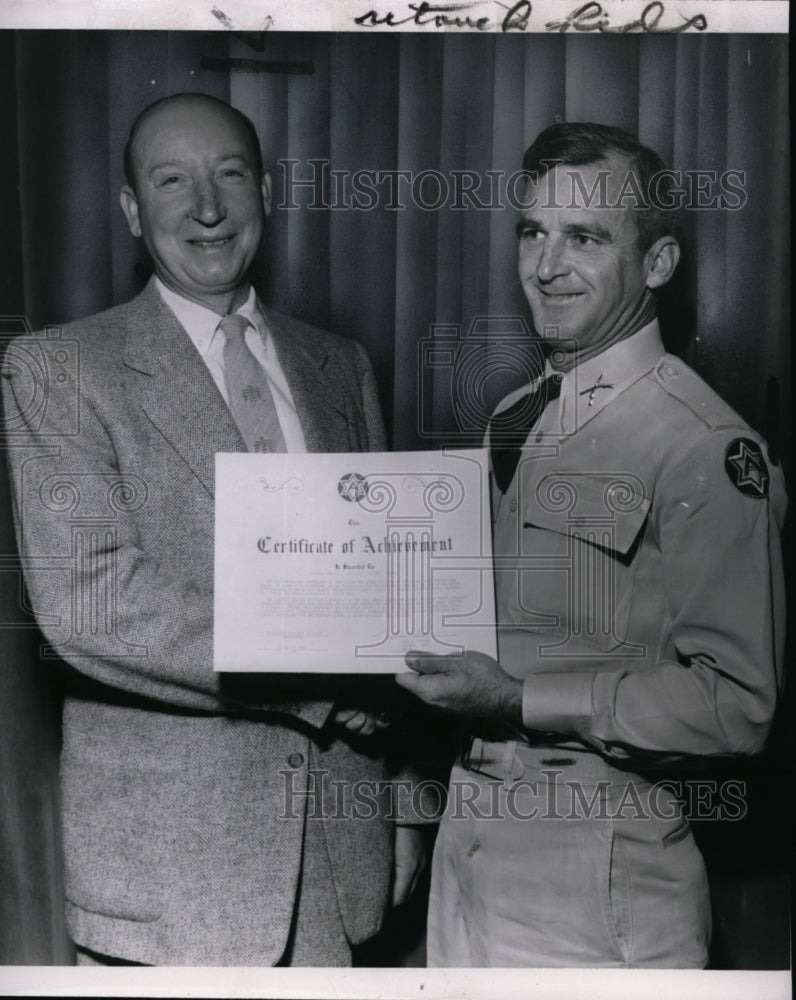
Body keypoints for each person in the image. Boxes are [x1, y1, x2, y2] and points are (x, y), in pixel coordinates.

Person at [1, 92, 425, 966]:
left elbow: (392, 593)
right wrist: (321, 687)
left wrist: (406, 795)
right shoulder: (57, 369)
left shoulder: (338, 364)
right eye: (172, 180)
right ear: (130, 210)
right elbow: (91, 602)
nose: (207, 207)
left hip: (344, 867)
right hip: (173, 885)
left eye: (230, 174)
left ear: (264, 192)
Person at [397, 122, 787, 968]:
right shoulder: (516, 417)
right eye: (533, 232)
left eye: (584, 238)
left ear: (657, 265)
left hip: (601, 870)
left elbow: (737, 705)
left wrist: (520, 700)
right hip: (469, 844)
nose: (545, 266)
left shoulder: (703, 445)